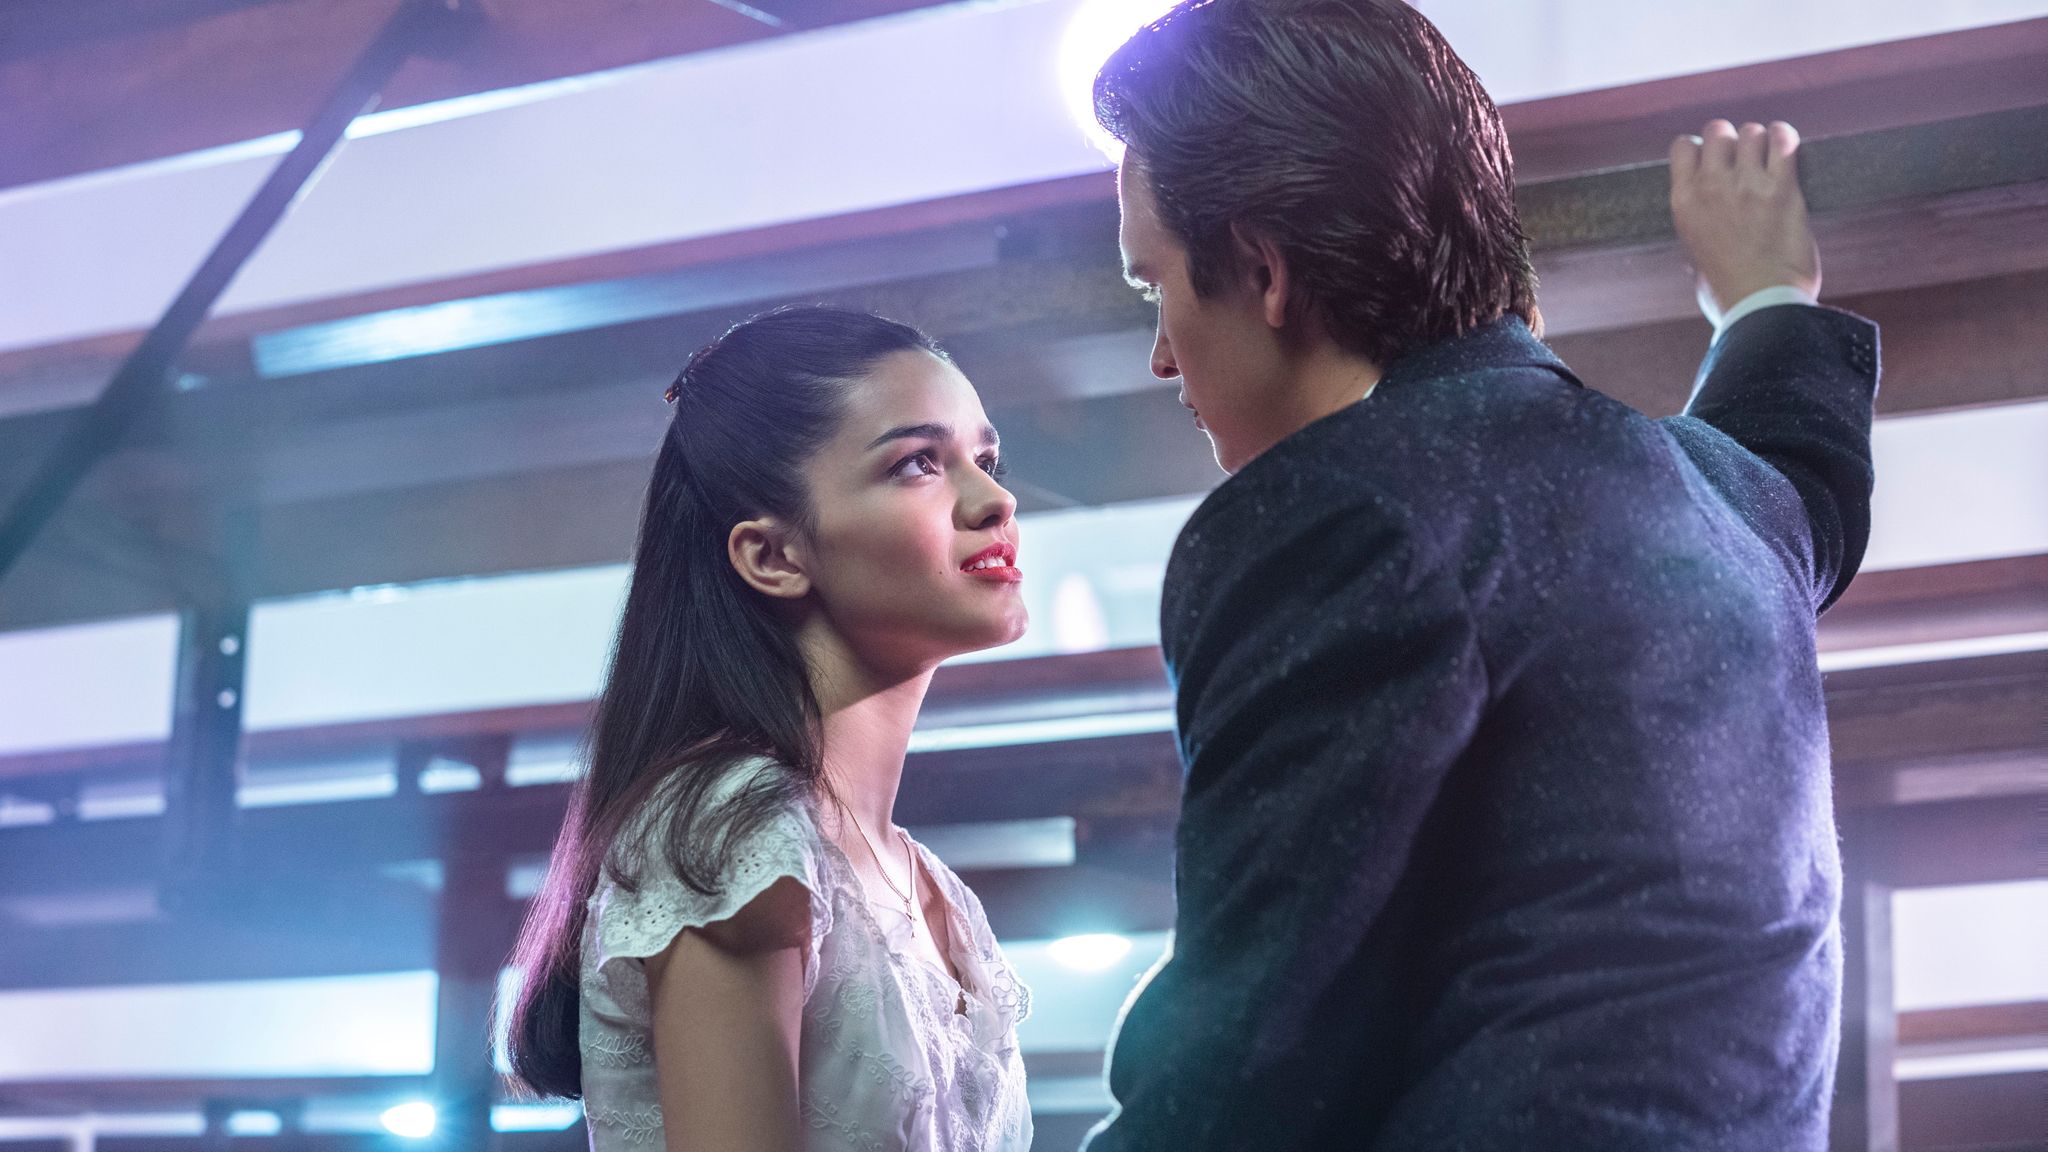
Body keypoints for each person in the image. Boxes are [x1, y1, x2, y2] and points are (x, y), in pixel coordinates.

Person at [1085, 2, 1880, 1149]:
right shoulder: (1727, 504)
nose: (1160, 353)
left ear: (1260, 269)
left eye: (1149, 286)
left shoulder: (1337, 508)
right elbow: (1806, 479)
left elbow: (1249, 1056)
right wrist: (1765, 300)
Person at [502, 306, 1035, 1152]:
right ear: (773, 556)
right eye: (917, 463)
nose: (995, 500)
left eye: (986, 459)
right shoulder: (731, 824)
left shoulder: (931, 887)